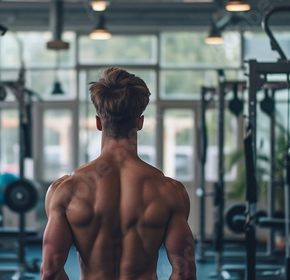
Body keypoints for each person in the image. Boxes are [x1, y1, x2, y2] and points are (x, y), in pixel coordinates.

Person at [41, 67, 196, 280]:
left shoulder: (66, 191)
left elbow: (50, 272)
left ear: (98, 122)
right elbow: (185, 272)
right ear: (140, 123)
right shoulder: (169, 192)